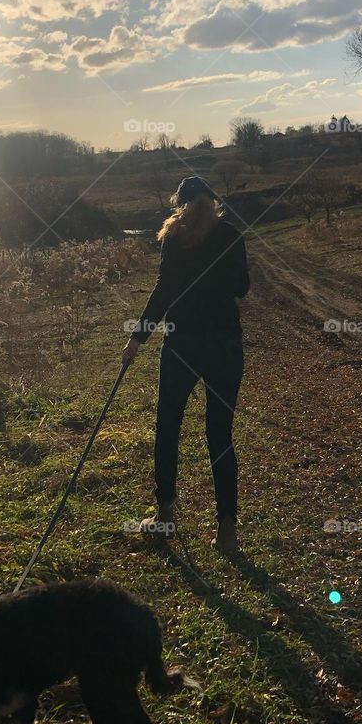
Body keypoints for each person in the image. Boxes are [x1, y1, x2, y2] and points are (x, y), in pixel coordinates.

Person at [123, 175, 249, 556]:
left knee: (168, 426)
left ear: (180, 204)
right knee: (220, 434)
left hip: (182, 346)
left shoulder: (174, 238)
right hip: (225, 345)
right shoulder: (231, 236)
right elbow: (242, 288)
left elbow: (163, 291)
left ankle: (165, 514)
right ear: (212, 201)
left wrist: (137, 338)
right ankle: (227, 530)